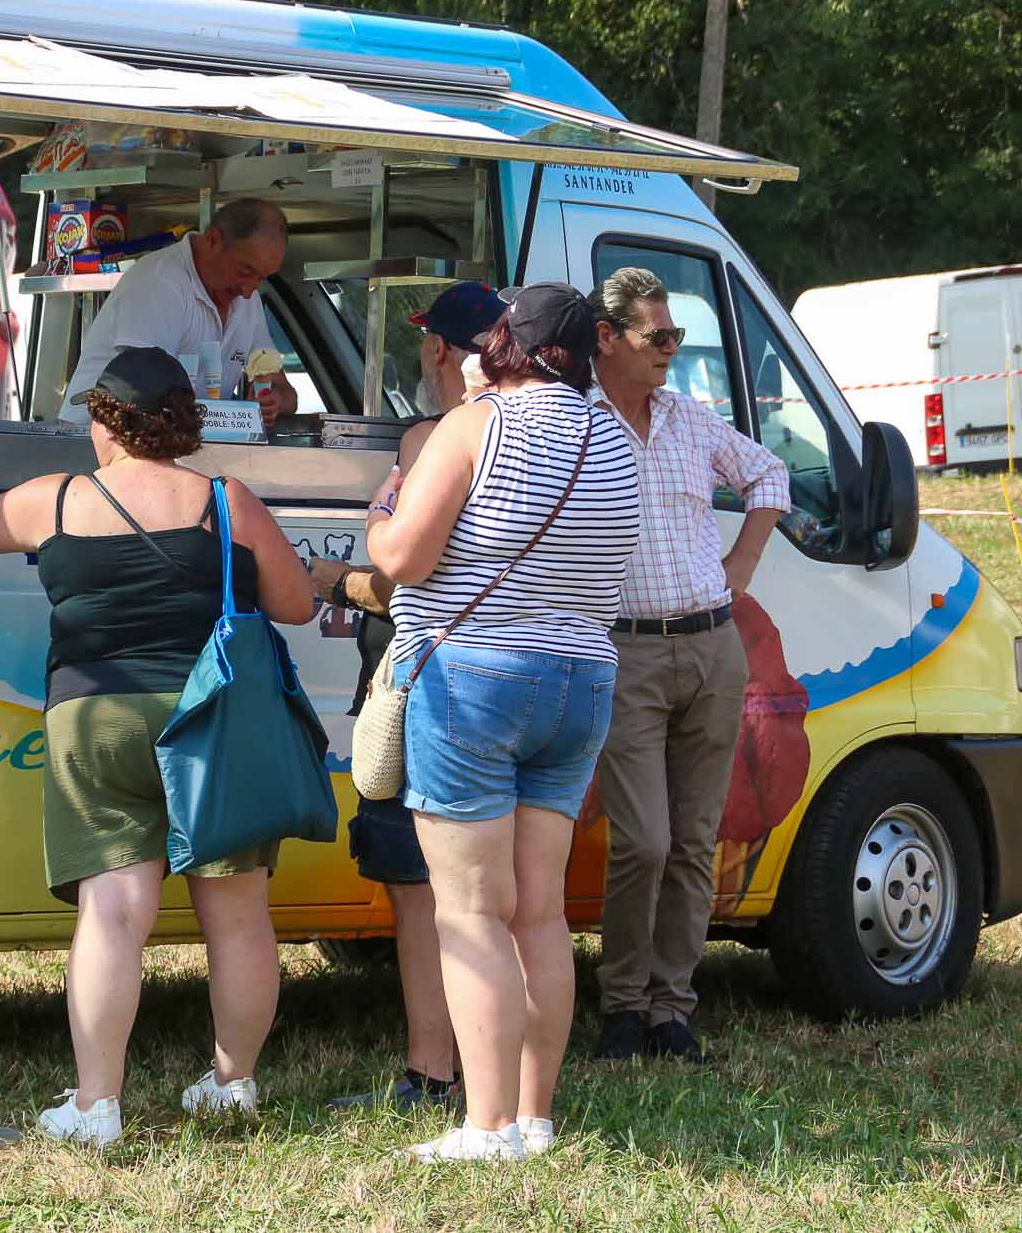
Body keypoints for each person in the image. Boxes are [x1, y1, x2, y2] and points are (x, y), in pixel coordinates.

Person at [0, 346, 315, 1149]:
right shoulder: (225, 501)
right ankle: (232, 1086)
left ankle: (97, 1105)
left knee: (114, 911)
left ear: (106, 420)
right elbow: (296, 603)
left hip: (93, 719)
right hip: (211, 721)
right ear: (183, 421)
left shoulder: (56, 500)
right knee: (236, 916)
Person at [365, 283, 640, 1163]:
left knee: (472, 913)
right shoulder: (615, 439)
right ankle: (534, 1116)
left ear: (505, 347)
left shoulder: (476, 424)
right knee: (539, 913)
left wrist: (379, 519)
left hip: (475, 679)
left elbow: (405, 556)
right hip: (583, 681)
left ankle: (484, 1127)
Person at [588, 266, 790, 1068]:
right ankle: (621, 1005)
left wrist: (743, 557)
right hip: (626, 648)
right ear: (608, 338)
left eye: (675, 335)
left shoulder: (690, 419)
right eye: (657, 336)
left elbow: (769, 474)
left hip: (712, 646)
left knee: (695, 840)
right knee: (643, 839)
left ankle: (672, 1010)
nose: (672, 349)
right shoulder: (579, 421)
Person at [312, 281, 506, 1114]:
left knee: (421, 888)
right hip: (524, 679)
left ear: (438, 353)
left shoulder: (436, 437)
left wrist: (339, 580)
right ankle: (509, 1078)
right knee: (505, 892)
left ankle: (434, 1071)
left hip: (425, 678)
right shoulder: (552, 429)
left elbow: (401, 578)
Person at [59, 198, 298, 425]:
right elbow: (140, 396)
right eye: (244, 271)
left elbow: (285, 391)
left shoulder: (248, 300)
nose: (248, 290)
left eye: (260, 278)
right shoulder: (159, 282)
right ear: (213, 240)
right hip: (99, 442)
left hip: (176, 443)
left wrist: (274, 402)